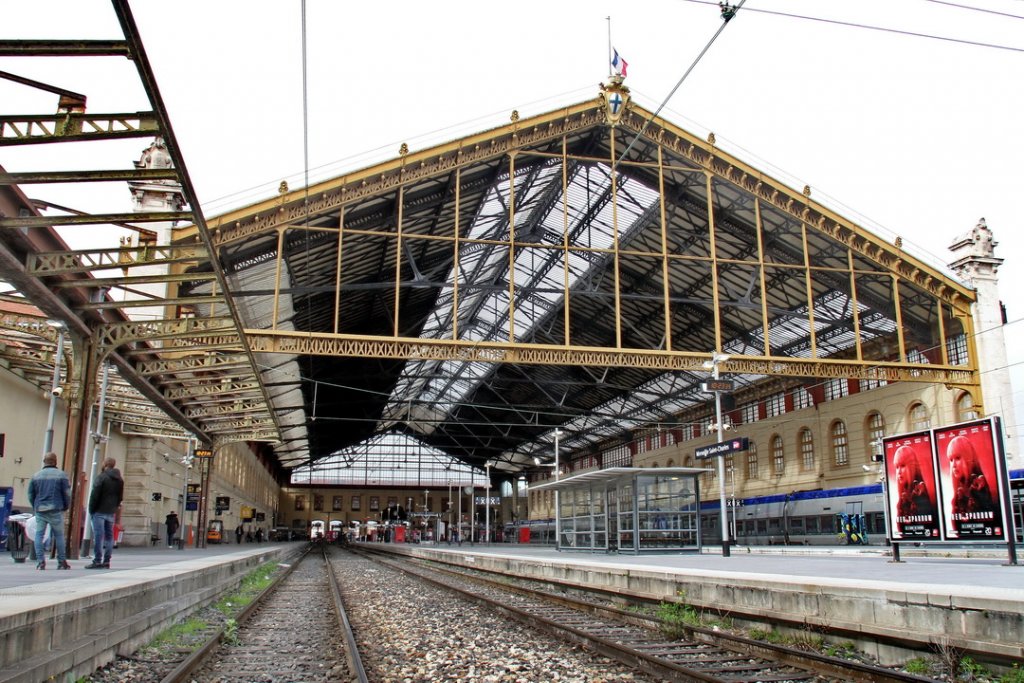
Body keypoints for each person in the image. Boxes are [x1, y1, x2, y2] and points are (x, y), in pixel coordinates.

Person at [27, 452, 72, 570]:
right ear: (55, 461)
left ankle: (41, 561)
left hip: (40, 510)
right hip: (56, 509)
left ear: (44, 462)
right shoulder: (62, 475)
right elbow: (67, 494)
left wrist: (35, 506)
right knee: (59, 535)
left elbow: (30, 494)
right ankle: (62, 561)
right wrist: (65, 506)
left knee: (39, 535)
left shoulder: (36, 476)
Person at [947, 435, 997, 526]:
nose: (953, 465)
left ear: (968, 458)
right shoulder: (958, 493)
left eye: (957, 458)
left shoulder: (979, 486)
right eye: (951, 460)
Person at [86, 457, 124, 569]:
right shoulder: (120, 480)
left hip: (99, 511)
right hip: (111, 511)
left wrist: (91, 509)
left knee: (98, 536)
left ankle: (97, 560)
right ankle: (107, 561)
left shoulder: (101, 477)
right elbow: (120, 497)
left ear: (105, 464)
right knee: (109, 537)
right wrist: (115, 508)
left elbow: (94, 495)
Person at [893, 445, 935, 523]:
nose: (899, 472)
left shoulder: (920, 494)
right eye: (897, 467)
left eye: (902, 466)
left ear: (912, 467)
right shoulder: (902, 497)